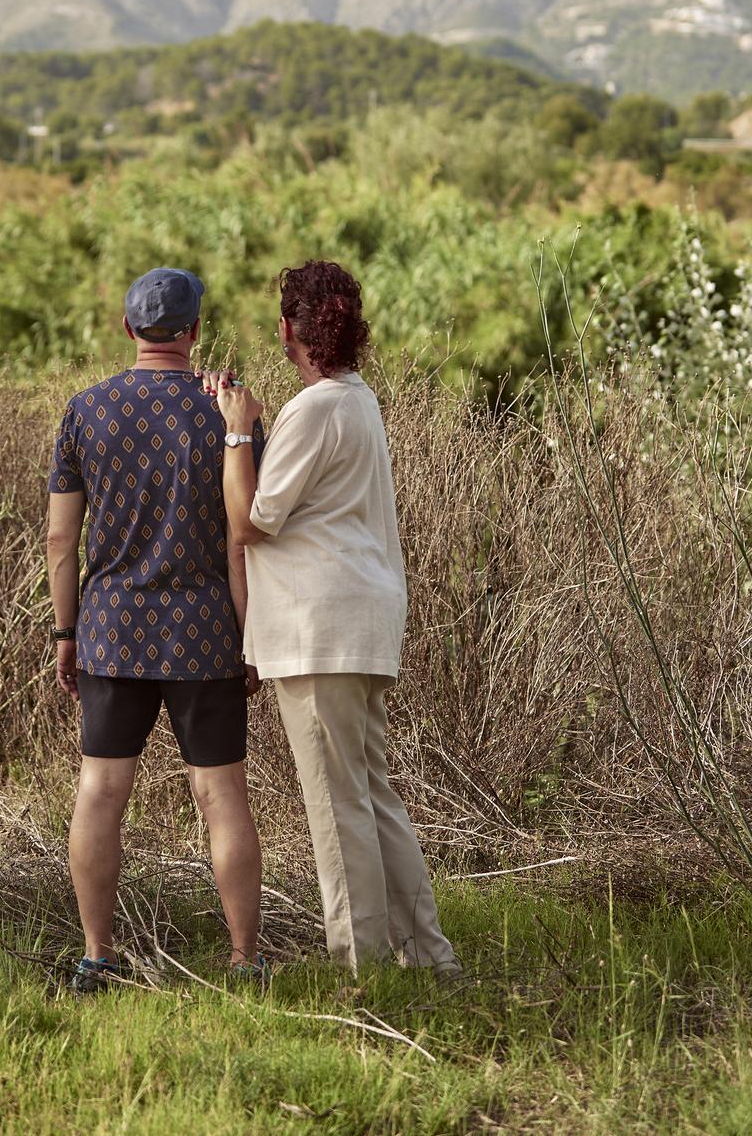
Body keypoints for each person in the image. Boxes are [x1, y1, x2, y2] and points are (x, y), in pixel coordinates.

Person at [212, 259, 461, 978]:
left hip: (316, 631)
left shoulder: (314, 408)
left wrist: (237, 433)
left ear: (290, 328)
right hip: (363, 622)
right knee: (373, 797)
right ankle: (429, 957)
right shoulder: (361, 400)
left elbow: (254, 520)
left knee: (336, 806)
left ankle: (363, 968)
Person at [46, 266, 267, 994]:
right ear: (196, 329)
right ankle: (244, 959)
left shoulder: (86, 410)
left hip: (111, 629)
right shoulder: (228, 412)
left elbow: (60, 540)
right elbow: (242, 539)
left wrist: (65, 633)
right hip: (206, 629)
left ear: (126, 326)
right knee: (221, 796)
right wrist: (250, 637)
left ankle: (96, 956)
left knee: (101, 791)